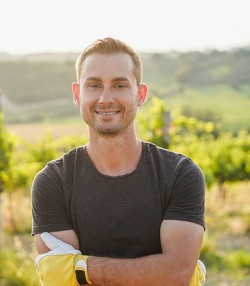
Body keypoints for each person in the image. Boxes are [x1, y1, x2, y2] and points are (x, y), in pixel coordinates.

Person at [32, 37, 206, 286]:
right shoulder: (53, 183)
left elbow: (176, 275)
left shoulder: (180, 174)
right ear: (77, 94)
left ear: (140, 94)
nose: (105, 98)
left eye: (120, 85)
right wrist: (156, 270)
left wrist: (81, 268)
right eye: (93, 85)